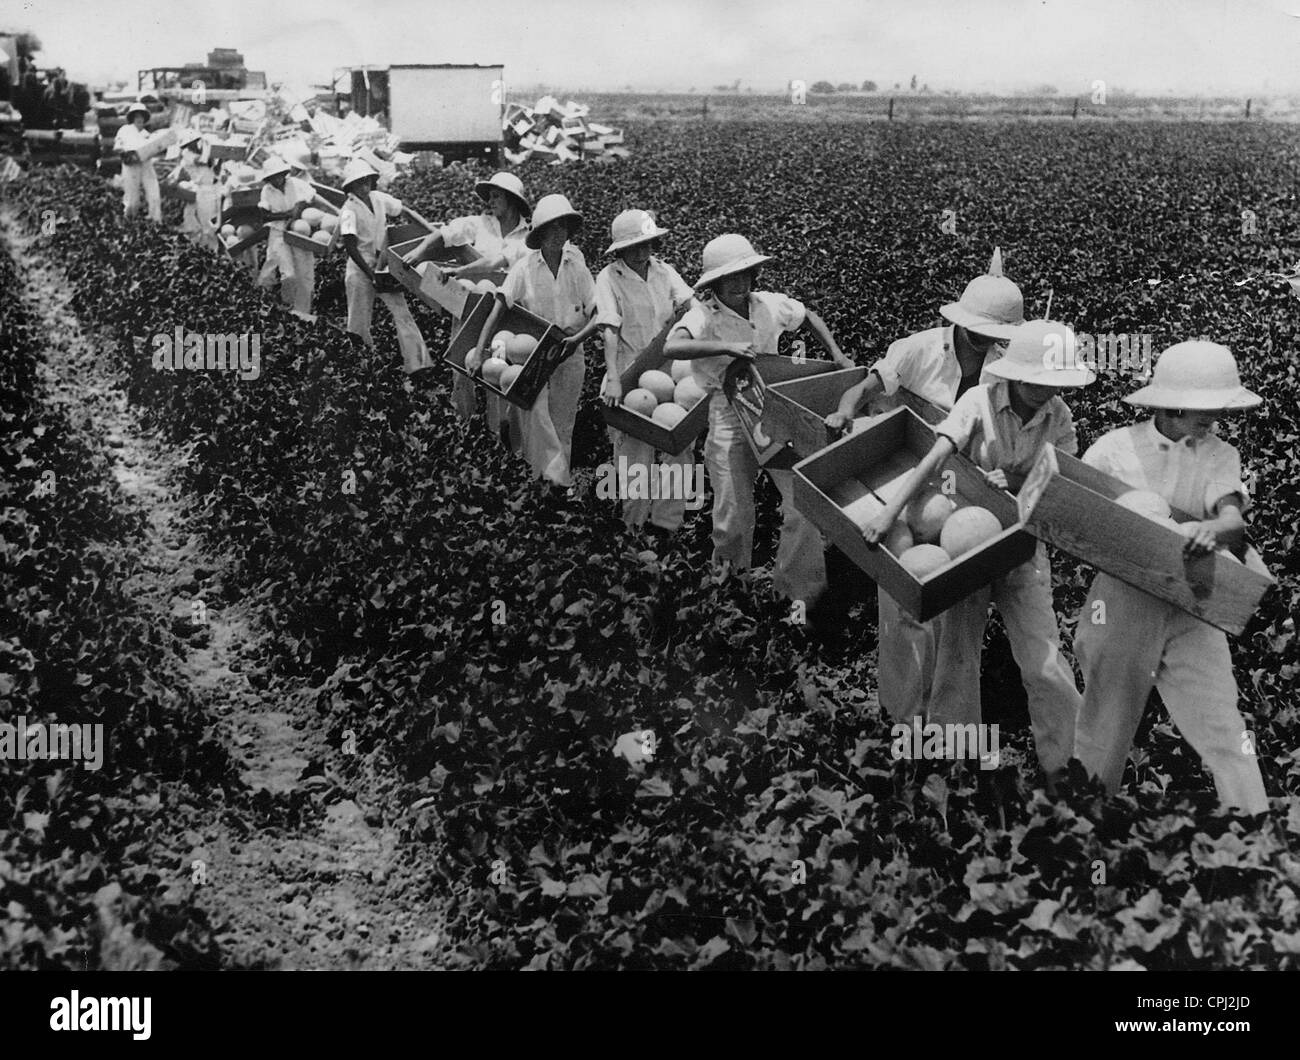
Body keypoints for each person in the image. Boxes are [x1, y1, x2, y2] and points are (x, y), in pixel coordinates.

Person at [862, 320, 1094, 781]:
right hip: (968, 542)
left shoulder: (1058, 417)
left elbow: (1066, 481)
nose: (1046, 392)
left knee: (1043, 655)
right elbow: (937, 454)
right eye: (1038, 381)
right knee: (959, 650)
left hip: (1024, 547)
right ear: (1016, 373)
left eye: (1055, 384)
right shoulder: (979, 401)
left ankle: (1072, 765)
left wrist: (1020, 482)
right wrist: (889, 513)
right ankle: (954, 756)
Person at [1073, 341, 1269, 815]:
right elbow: (1076, 506)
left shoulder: (1220, 454)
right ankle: (1082, 834)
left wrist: (1210, 528)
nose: (1214, 418)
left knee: (1222, 723)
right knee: (1106, 727)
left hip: (1192, 603)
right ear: (1172, 405)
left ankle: (1258, 829)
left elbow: (1233, 520)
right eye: (1204, 408)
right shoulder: (1115, 449)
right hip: (1124, 603)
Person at [826, 268, 1024, 722]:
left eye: (994, 334)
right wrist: (843, 412)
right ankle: (902, 713)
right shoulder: (919, 349)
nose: (983, 339)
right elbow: (863, 388)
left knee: (963, 606)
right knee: (901, 592)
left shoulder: (1003, 369)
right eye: (978, 329)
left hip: (967, 494)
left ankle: (952, 724)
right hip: (903, 480)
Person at [664, 234, 852, 610]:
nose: (740, 282)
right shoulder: (703, 314)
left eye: (747, 273)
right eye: (731, 276)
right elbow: (673, 346)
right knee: (733, 509)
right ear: (714, 282)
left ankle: (798, 596)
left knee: (802, 501)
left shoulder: (768, 304)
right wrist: (724, 347)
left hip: (774, 409)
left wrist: (837, 354)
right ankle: (731, 595)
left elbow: (808, 316)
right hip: (728, 411)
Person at [469, 194, 599, 488]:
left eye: (563, 228)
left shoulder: (576, 267)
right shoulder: (524, 268)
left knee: (564, 419)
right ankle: (550, 479)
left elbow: (597, 312)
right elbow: (498, 309)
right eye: (552, 229)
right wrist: (479, 352)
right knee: (537, 413)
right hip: (533, 354)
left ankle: (553, 483)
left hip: (570, 350)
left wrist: (577, 340)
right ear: (539, 233)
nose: (559, 235)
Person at [595, 209, 696, 535]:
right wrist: (612, 379)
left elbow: (690, 307)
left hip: (668, 371)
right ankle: (632, 527)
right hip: (628, 370)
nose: (642, 251)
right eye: (635, 245)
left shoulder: (664, 271)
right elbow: (609, 328)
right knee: (633, 454)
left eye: (648, 243)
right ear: (620, 249)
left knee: (680, 446)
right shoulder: (609, 278)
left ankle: (667, 524)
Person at [403, 172, 532, 427]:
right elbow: (445, 234)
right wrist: (419, 252)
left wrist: (461, 272)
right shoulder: (479, 223)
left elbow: (500, 263)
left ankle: (497, 431)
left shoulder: (527, 235)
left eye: (497, 196)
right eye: (490, 196)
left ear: (513, 200)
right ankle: (464, 422)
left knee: (497, 368)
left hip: (504, 311)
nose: (491, 201)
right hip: (467, 306)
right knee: (461, 365)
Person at [337, 158, 434, 376]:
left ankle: (418, 363)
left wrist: (431, 231)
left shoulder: (379, 198)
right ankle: (360, 367)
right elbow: (350, 247)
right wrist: (371, 275)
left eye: (367, 182)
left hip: (383, 265)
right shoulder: (347, 211)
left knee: (402, 312)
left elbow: (405, 211)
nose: (363, 187)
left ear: (372, 181)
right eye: (358, 183)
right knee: (358, 320)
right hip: (360, 270)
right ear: (350, 187)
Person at [257, 155, 332, 320]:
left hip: (299, 233)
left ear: (283, 173)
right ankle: (286, 304)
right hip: (278, 233)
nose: (276, 180)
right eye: (272, 177)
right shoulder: (267, 190)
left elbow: (312, 196)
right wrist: (287, 214)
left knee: (305, 273)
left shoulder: (296, 184)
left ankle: (303, 312)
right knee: (288, 274)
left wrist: (335, 210)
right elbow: (264, 216)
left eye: (278, 175)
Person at [173, 130, 222, 252]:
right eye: (191, 143)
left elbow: (214, 169)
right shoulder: (187, 155)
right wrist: (208, 148)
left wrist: (221, 157)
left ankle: (212, 248)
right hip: (204, 190)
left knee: (218, 221)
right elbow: (203, 161)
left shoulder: (202, 152)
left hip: (216, 187)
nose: (194, 145)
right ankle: (210, 251)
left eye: (195, 142)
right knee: (208, 223)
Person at [113, 102, 161, 223]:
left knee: (153, 191)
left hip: (145, 164)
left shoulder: (146, 134)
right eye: (137, 117)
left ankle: (155, 218)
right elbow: (117, 146)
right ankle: (129, 217)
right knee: (131, 195)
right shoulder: (125, 130)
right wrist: (125, 152)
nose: (139, 119)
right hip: (131, 165)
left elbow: (154, 149)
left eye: (142, 117)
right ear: (132, 118)